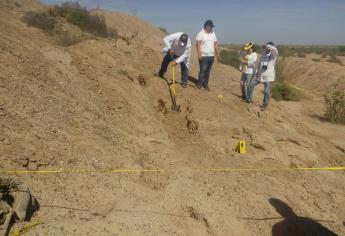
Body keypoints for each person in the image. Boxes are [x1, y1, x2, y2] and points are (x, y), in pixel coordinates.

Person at [246, 42, 278, 111]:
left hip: (269, 77)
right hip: (260, 75)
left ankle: (265, 105)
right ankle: (248, 99)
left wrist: (267, 45)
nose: (267, 49)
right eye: (266, 48)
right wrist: (257, 72)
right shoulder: (263, 54)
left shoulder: (273, 55)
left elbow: (275, 49)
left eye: (268, 47)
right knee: (251, 84)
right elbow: (259, 64)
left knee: (266, 91)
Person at [196, 20, 220, 91]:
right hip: (204, 56)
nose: (212, 28)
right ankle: (199, 84)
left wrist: (217, 53)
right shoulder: (200, 33)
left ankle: (206, 84)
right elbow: (198, 45)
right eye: (211, 27)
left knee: (208, 71)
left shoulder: (213, 34)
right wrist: (199, 55)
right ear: (207, 26)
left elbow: (215, 44)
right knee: (202, 70)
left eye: (212, 27)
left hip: (211, 56)